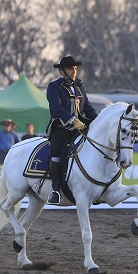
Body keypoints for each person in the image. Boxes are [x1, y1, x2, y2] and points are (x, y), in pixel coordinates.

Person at [45, 56, 98, 204]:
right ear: (62, 71)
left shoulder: (80, 87)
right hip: (61, 127)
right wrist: (72, 120)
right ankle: (55, 189)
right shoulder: (54, 86)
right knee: (56, 155)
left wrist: (99, 121)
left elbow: (88, 109)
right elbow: (56, 108)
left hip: (79, 127)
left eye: (75, 68)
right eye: (70, 68)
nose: (74, 71)